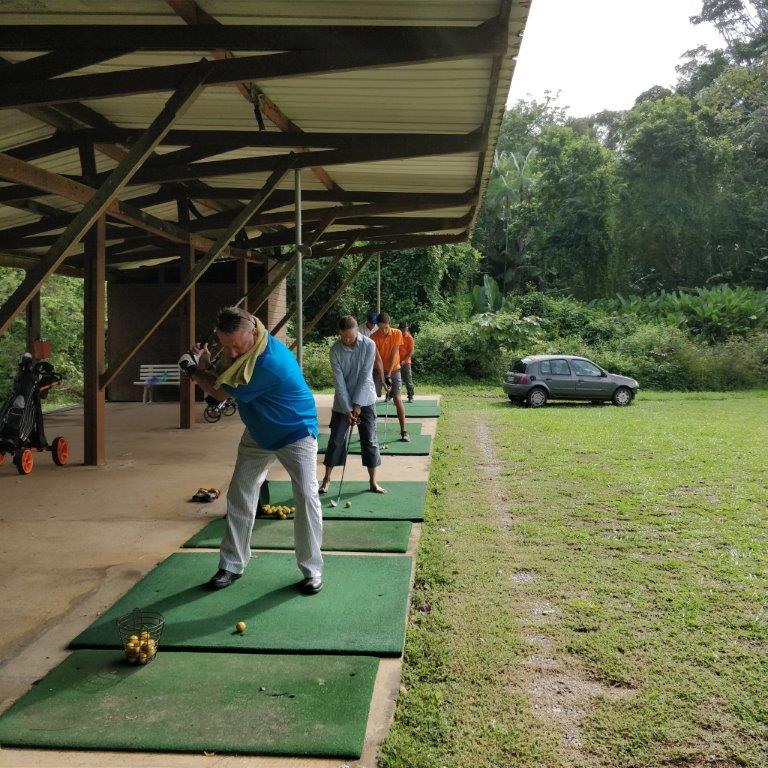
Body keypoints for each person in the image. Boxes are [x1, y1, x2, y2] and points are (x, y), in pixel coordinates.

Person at [184, 307, 323, 594]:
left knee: (306, 496)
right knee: (240, 493)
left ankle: (312, 570)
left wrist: (192, 369)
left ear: (255, 332)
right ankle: (231, 565)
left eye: (236, 346)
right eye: (226, 346)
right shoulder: (239, 351)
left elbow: (219, 392)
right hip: (259, 432)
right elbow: (221, 375)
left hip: (295, 432)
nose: (232, 353)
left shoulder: (269, 362)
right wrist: (206, 361)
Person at [319, 316, 387, 495]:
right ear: (340, 334)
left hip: (366, 399)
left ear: (358, 330)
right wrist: (348, 408)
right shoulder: (335, 350)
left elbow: (365, 375)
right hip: (342, 402)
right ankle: (326, 479)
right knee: (336, 440)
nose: (348, 341)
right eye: (344, 337)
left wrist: (357, 404)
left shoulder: (369, 345)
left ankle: (373, 481)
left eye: (351, 337)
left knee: (369, 440)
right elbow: (339, 383)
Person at [370, 312, 409, 442]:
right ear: (377, 325)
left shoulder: (397, 333)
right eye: (381, 328)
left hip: (394, 370)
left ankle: (404, 431)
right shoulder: (373, 337)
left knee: (397, 398)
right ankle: (370, 431)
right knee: (371, 399)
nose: (383, 330)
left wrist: (388, 375)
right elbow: (378, 360)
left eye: (386, 327)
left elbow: (394, 354)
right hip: (377, 371)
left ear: (389, 324)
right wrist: (383, 379)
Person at [398, 321, 415, 402]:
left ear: (407, 328)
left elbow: (411, 351)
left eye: (404, 329)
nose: (403, 330)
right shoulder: (397, 335)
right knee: (395, 380)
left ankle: (410, 396)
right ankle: (390, 396)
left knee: (408, 380)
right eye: (402, 329)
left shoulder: (409, 338)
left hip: (406, 362)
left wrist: (404, 361)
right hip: (396, 361)